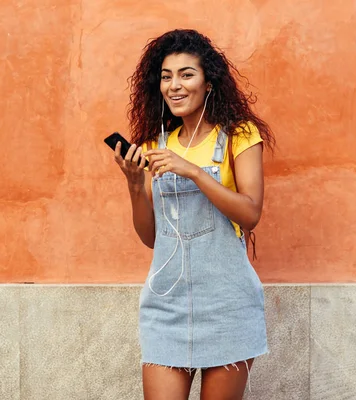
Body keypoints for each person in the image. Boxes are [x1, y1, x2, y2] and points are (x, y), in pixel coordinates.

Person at [111, 29, 275, 400]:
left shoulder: (239, 135)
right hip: (166, 306)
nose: (175, 85)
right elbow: (153, 237)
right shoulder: (156, 144)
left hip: (227, 304)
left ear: (208, 83)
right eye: (166, 77)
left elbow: (250, 214)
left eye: (187, 74)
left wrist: (195, 171)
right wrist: (135, 185)